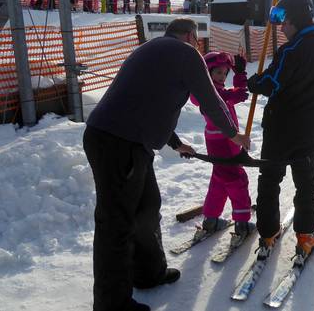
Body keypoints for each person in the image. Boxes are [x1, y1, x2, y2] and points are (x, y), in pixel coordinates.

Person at [83, 18, 250, 311]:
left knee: (147, 206)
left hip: (124, 140)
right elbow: (211, 100)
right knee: (116, 223)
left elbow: (145, 102)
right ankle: (112, 304)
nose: (198, 46)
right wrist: (234, 134)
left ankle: (148, 273)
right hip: (118, 143)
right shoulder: (185, 53)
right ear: (189, 35)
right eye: (197, 40)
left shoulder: (152, 48)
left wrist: (175, 143)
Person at [247, 0, 314, 264]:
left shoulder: (290, 51)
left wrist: (254, 82)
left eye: (284, 22)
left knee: (269, 181)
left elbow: (271, 84)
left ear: (296, 21)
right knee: (306, 186)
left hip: (278, 132)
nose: (281, 28)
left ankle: (268, 234)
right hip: (309, 133)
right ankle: (304, 236)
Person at [190, 52, 253, 243]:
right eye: (218, 72)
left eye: (225, 73)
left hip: (216, 142)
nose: (222, 77)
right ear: (208, 73)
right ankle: (242, 224)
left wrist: (239, 73)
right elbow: (236, 94)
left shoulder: (209, 92)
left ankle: (211, 219)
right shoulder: (213, 94)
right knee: (236, 179)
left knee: (219, 179)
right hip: (226, 142)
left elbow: (236, 95)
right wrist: (240, 77)